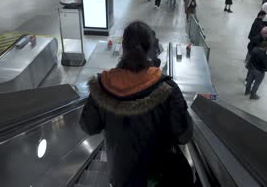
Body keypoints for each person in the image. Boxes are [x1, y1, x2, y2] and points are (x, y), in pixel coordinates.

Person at [79, 21, 193, 187]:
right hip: (156, 178)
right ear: (150, 49)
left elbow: (88, 126)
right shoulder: (168, 89)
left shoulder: (103, 85)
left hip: (119, 177)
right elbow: (184, 135)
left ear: (123, 48)